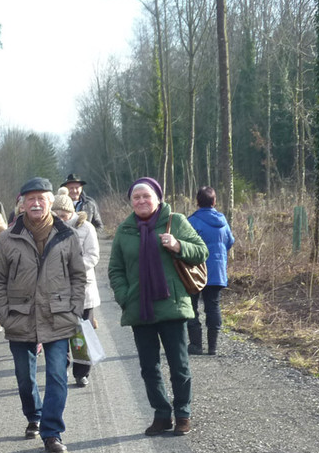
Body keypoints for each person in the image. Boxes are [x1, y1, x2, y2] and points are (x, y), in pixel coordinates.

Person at [0, 178, 86, 453]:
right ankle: (34, 415)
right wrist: (3, 314)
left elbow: (78, 276)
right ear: (21, 204)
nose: (35, 203)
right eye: (30, 199)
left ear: (50, 202)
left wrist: (74, 309)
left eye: (41, 198)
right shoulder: (8, 238)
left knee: (57, 375)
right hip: (19, 317)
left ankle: (52, 432)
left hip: (59, 316)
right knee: (24, 378)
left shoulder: (67, 235)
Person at [108, 177, 208, 436]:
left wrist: (178, 245)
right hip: (140, 308)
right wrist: (124, 296)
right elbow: (116, 269)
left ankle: (183, 413)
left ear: (158, 198)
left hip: (172, 305)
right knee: (148, 367)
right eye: (136, 197)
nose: (141, 200)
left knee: (179, 364)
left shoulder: (176, 221)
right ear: (131, 202)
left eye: (146, 196)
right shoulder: (124, 230)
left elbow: (201, 252)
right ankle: (162, 414)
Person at [52, 189, 101, 387]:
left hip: (83, 290)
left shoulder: (86, 228)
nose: (60, 218)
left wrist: (74, 268)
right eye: (56, 215)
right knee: (61, 332)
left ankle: (81, 373)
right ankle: (61, 370)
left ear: (71, 212)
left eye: (63, 215)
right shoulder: (51, 228)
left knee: (82, 333)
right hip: (58, 290)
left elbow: (93, 256)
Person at [186, 186, 235, 355]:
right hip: (217, 271)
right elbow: (230, 241)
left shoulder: (191, 221)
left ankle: (196, 345)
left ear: (197, 201)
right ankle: (212, 347)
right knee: (213, 306)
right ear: (214, 201)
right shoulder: (223, 221)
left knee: (191, 306)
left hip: (195, 271)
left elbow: (184, 246)